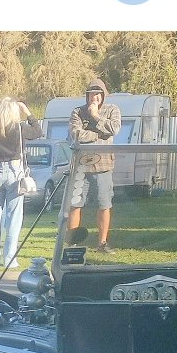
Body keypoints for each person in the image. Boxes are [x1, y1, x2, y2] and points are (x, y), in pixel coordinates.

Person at [0, 97, 42, 268]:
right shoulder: (19, 128)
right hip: (15, 172)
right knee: (14, 217)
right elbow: (37, 131)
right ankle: (10, 259)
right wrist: (27, 111)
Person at [67, 78, 121, 253]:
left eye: (98, 94)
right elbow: (76, 135)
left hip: (104, 166)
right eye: (92, 94)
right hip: (81, 166)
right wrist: (98, 135)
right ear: (87, 96)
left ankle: (102, 243)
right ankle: (71, 243)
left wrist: (96, 116)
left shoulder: (112, 110)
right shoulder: (77, 112)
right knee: (75, 204)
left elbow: (114, 129)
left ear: (103, 95)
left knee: (104, 204)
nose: (95, 97)